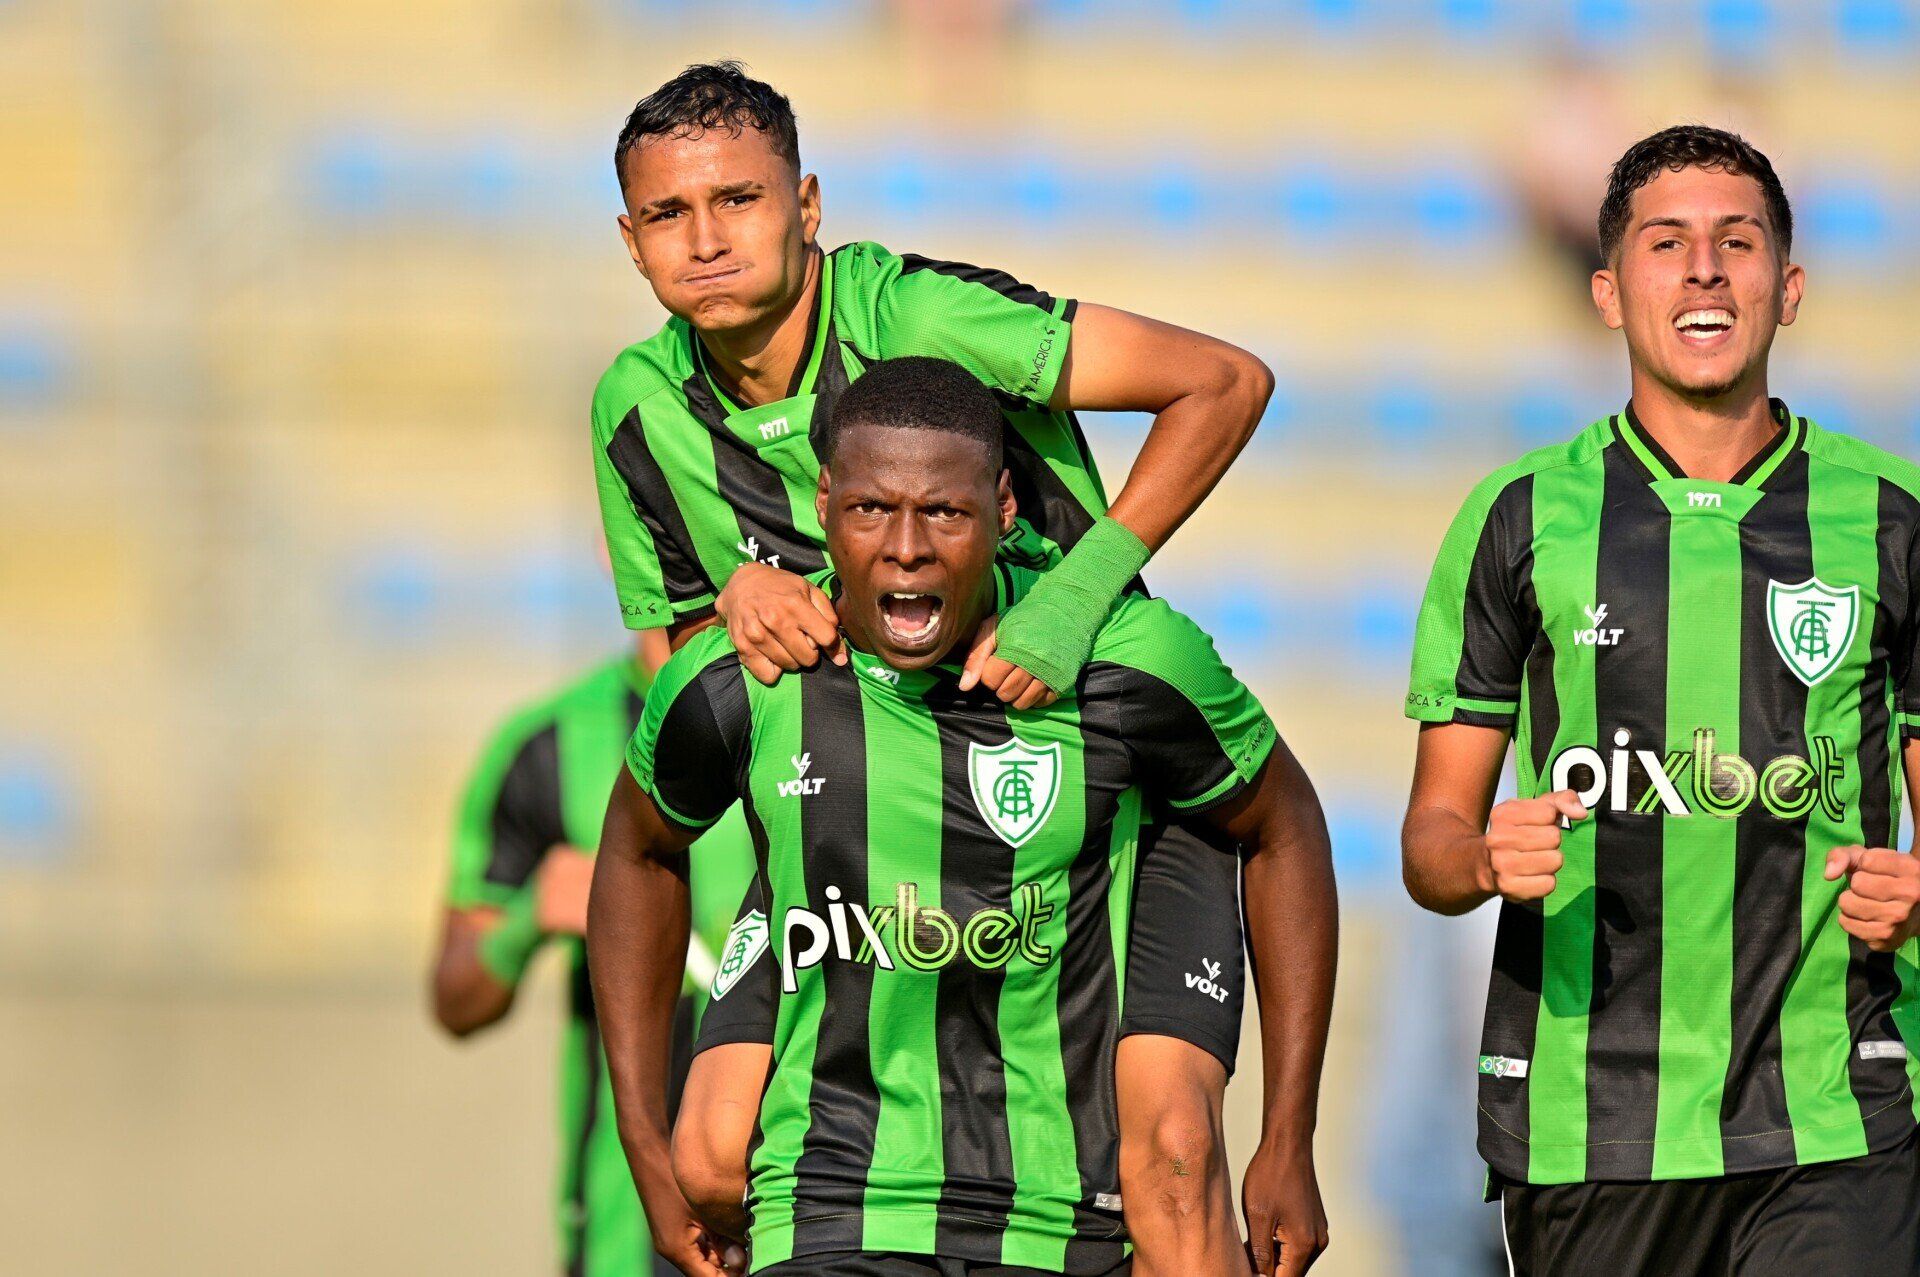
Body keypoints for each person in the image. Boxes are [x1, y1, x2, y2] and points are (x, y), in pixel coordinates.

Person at [590, 61, 1315, 1271]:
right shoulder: (637, 409)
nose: (706, 239)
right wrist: (732, 600)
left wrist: (1071, 601)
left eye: (740, 200)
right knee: (711, 1154)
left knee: (1170, 1167)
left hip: (1081, 766)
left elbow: (1222, 380)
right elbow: (681, 697)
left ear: (807, 205)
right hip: (865, 801)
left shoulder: (916, 321)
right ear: (629, 238)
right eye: (669, 214)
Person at [1402, 125, 1920, 1275]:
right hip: (1589, 1125)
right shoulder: (1517, 519)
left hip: (1835, 1111)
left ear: (1786, 289)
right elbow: (1431, 844)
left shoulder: (1892, 517)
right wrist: (1486, 857)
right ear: (1606, 289)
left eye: (1736, 242)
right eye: (1666, 242)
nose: (1702, 269)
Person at [431, 628, 758, 1277]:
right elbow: (454, 999)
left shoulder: (821, 706)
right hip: (622, 1226)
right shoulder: (549, 743)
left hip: (812, 1205)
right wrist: (528, 915)